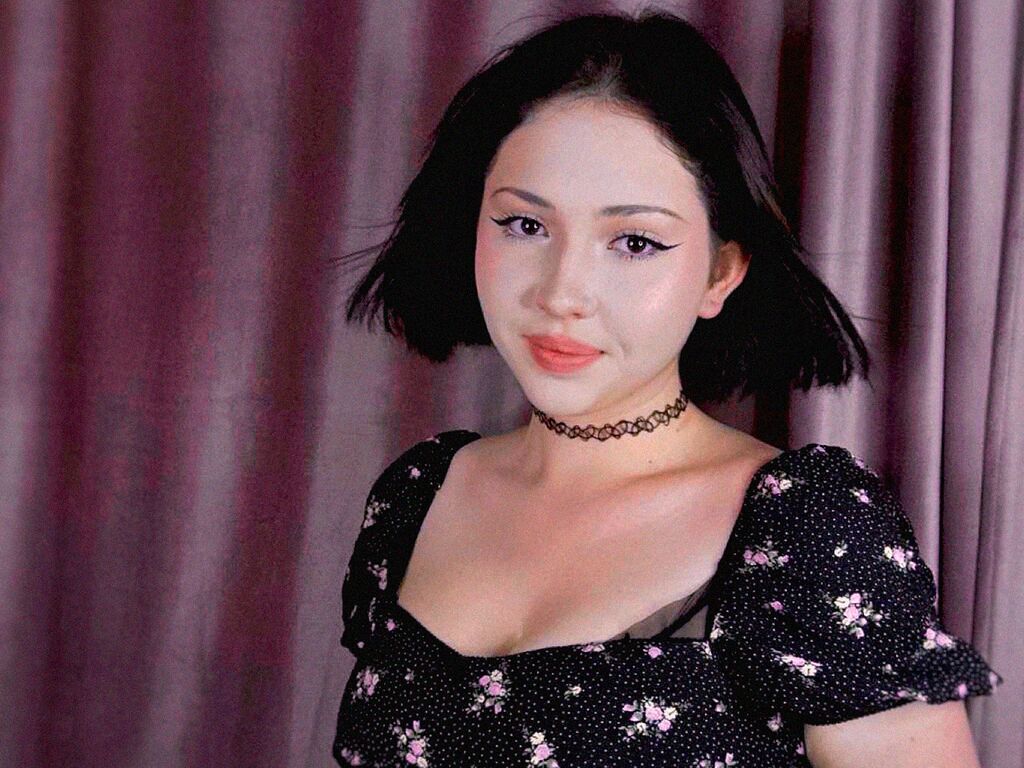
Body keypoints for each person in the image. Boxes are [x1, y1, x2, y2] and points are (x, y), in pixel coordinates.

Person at [330, 9, 1002, 767]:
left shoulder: (808, 530)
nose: (562, 293)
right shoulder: (416, 497)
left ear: (721, 273)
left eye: (635, 241)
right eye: (524, 226)